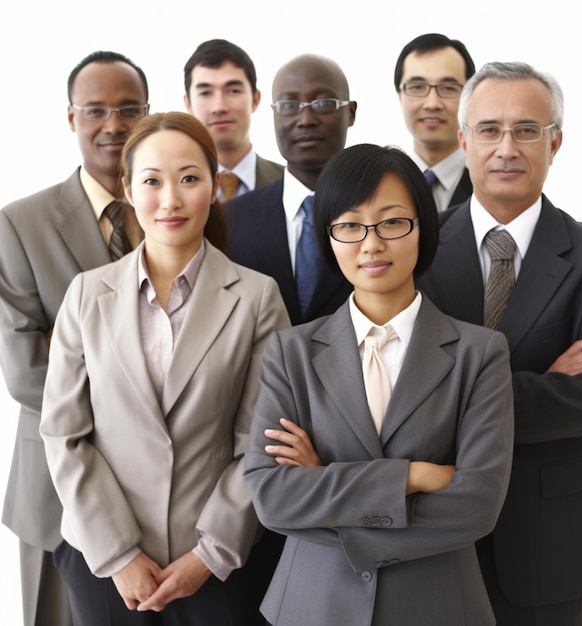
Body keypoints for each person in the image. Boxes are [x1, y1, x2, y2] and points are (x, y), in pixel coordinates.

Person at [244, 143, 515, 626]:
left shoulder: (480, 353)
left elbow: (477, 506)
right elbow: (271, 496)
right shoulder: (291, 353)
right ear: (329, 236)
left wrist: (321, 479)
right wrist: (412, 476)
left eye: (392, 222)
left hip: (437, 607)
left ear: (421, 228)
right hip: (312, 605)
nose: (371, 244)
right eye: (349, 225)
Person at [39, 111, 290, 626]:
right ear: (128, 189)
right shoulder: (87, 294)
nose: (170, 199)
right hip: (103, 566)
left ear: (216, 186)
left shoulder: (257, 297)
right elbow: (64, 435)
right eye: (152, 181)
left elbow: (262, 439)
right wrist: (119, 555)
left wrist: (211, 553)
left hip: (217, 567)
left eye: (189, 179)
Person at [416, 61, 582, 625]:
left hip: (549, 537)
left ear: (555, 142)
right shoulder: (418, 251)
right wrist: (544, 382)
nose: (506, 147)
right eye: (489, 129)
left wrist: (453, 401)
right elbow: (400, 392)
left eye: (527, 130)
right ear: (464, 140)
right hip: (434, 532)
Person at [0, 50, 150, 626]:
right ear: (71, 119)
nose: (113, 125)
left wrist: (69, 345)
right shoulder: (21, 223)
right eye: (96, 111)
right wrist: (144, 425)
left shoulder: (174, 211)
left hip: (169, 494)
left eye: (129, 109)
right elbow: (25, 373)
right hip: (55, 489)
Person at [226, 53, 357, 325]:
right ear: (273, 114)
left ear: (351, 112)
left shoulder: (379, 217)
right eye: (288, 105)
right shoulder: (230, 220)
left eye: (323, 103)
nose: (306, 119)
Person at [183, 38, 283, 200]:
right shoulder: (174, 192)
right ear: (188, 104)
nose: (219, 107)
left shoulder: (290, 184)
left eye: (233, 91)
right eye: (205, 93)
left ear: (255, 99)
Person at [394, 33, 475, 212]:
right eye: (417, 87)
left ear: (470, 98)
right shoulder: (380, 185)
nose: (432, 104)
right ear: (400, 96)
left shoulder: (494, 187)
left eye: (448, 88)